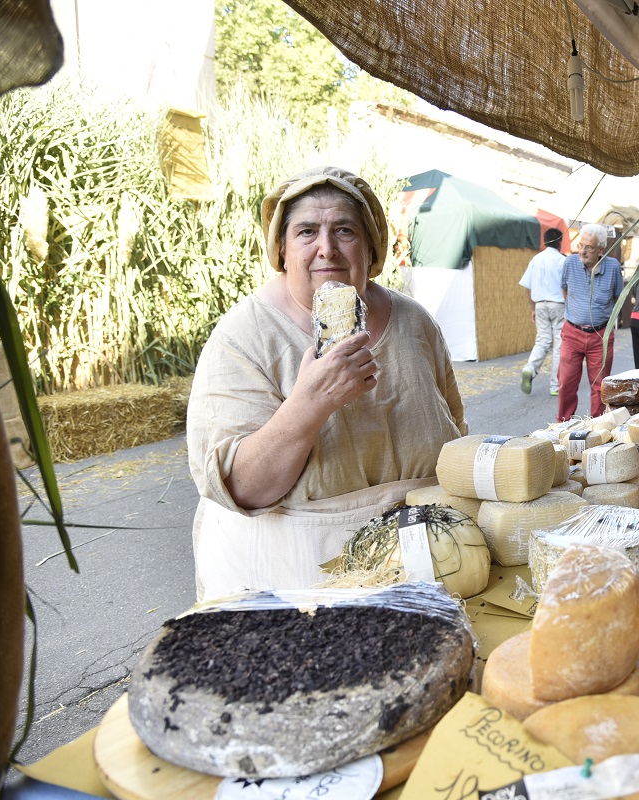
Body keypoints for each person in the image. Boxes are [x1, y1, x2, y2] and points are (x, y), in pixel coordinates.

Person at [187, 166, 468, 600]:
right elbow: (241, 488)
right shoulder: (244, 336)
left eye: (344, 230)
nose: (327, 249)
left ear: (371, 246)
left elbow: (456, 433)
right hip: (300, 583)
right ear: (280, 249)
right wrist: (310, 404)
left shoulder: (414, 322)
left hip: (428, 562)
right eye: (306, 232)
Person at [558, 223, 625, 421]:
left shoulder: (612, 267)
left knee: (600, 386)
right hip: (572, 333)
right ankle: (563, 424)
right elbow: (565, 290)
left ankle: (597, 426)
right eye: (581, 245)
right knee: (566, 384)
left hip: (601, 336)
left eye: (589, 247)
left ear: (601, 250)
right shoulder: (570, 263)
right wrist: (578, 313)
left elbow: (618, 298)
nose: (583, 251)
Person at [519, 227, 566, 396]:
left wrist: (532, 308)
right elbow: (566, 287)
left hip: (539, 304)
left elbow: (527, 286)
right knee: (559, 345)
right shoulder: (562, 261)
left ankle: (530, 370)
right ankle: (555, 386)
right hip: (558, 305)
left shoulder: (535, 260)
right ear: (560, 242)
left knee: (542, 341)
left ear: (544, 242)